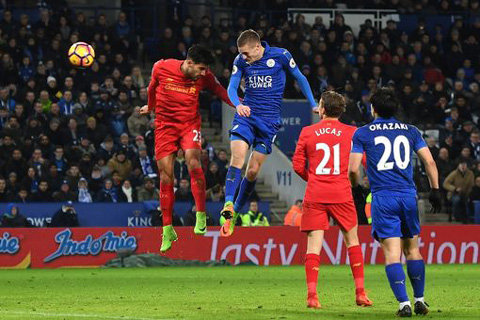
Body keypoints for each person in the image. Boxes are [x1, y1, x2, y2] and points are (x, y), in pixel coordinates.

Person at [348, 88, 441, 317]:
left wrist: (356, 187)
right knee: (413, 250)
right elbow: (429, 162)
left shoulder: (362, 133)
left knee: (392, 253)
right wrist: (435, 190)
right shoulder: (411, 131)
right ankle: (420, 300)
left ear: (374, 109)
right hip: (408, 196)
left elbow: (352, 169)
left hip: (383, 197)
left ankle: (404, 304)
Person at [221, 29, 317, 237]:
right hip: (246, 116)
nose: (244, 57)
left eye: (247, 53)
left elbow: (300, 78)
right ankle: (228, 205)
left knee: (253, 170)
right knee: (237, 156)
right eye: (242, 54)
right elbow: (231, 88)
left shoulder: (281, 55)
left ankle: (235, 211)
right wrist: (238, 104)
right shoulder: (241, 60)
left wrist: (313, 103)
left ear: (258, 47)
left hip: (269, 122)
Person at [139, 45, 234, 252]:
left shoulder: (205, 76)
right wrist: (151, 106)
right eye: (200, 69)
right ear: (189, 63)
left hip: (189, 124)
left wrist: (240, 104)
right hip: (165, 126)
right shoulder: (161, 67)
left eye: (205, 70)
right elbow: (151, 87)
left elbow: (220, 91)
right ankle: (167, 229)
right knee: (166, 176)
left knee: (193, 161)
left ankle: (201, 214)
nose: (203, 73)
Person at [292, 91, 372, 309]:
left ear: (323, 109)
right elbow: (365, 162)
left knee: (314, 245)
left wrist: (315, 179)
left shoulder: (307, 132)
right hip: (342, 193)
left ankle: (312, 296)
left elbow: (298, 166)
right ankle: (360, 293)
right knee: (352, 241)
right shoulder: (352, 133)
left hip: (316, 194)